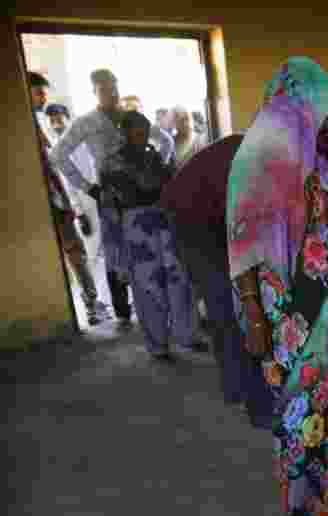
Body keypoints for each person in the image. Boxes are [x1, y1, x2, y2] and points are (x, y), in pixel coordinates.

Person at [228, 56, 328, 516]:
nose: (321, 119)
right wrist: (251, 313)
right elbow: (241, 243)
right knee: (300, 406)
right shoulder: (256, 160)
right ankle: (314, 510)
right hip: (280, 308)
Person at [160, 134, 274, 428]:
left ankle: (240, 387)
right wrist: (251, 299)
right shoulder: (251, 167)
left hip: (215, 213)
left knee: (240, 307)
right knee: (227, 305)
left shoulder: (265, 158)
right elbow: (244, 236)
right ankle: (249, 397)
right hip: (191, 220)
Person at [53, 69, 175, 329]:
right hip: (109, 194)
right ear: (94, 91)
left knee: (148, 247)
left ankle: (154, 302)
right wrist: (88, 187)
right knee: (115, 251)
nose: (112, 93)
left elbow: (166, 142)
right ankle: (122, 311)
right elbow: (58, 155)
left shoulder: (131, 118)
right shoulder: (86, 122)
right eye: (105, 88)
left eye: (114, 87)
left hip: (142, 194)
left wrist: (155, 170)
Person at [98, 111, 193, 359]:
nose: (141, 136)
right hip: (135, 229)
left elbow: (173, 190)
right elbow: (108, 209)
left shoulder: (156, 157)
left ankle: (185, 336)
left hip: (164, 224)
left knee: (178, 281)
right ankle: (158, 345)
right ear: (125, 133)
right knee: (147, 288)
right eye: (135, 131)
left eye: (144, 131)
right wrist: (114, 252)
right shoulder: (111, 163)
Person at [27, 71, 108, 326]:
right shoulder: (28, 128)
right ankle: (92, 304)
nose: (42, 99)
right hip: (54, 202)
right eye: (39, 93)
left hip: (63, 201)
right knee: (78, 255)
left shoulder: (38, 128)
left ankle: (92, 304)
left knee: (80, 255)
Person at [171, 106, 204, 170]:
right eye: (181, 120)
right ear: (174, 124)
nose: (185, 124)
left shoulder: (201, 140)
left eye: (187, 119)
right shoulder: (170, 143)